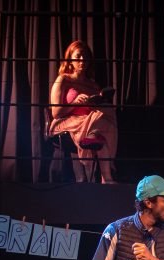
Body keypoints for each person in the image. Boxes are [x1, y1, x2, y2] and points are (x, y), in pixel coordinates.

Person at [49, 40, 118, 183]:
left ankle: (107, 178)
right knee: (100, 130)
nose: (82, 60)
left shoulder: (92, 84)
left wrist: (96, 101)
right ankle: (106, 176)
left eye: (85, 57)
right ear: (70, 59)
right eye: (78, 56)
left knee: (107, 110)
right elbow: (56, 112)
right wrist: (75, 103)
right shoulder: (63, 79)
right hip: (68, 121)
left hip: (89, 120)